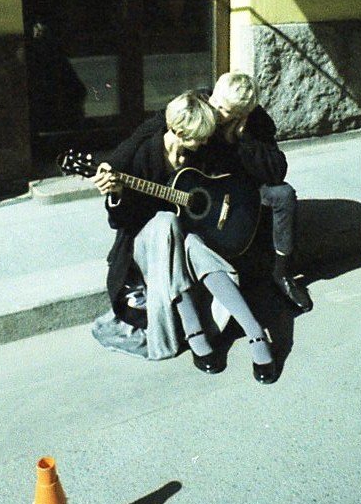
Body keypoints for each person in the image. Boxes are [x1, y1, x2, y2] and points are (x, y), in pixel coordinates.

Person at [92, 91, 276, 383]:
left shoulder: (195, 152)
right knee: (166, 222)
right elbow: (119, 222)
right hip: (145, 244)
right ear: (178, 132)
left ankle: (254, 331)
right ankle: (196, 331)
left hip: (184, 240)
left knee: (189, 242)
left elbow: (225, 181)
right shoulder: (141, 156)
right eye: (197, 138)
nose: (203, 143)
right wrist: (116, 195)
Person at [205, 72, 312, 313]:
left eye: (224, 110)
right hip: (212, 190)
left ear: (241, 115)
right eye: (216, 103)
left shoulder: (256, 122)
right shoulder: (202, 105)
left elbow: (277, 171)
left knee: (284, 194)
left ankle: (282, 273)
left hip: (248, 188)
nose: (216, 112)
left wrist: (244, 139)